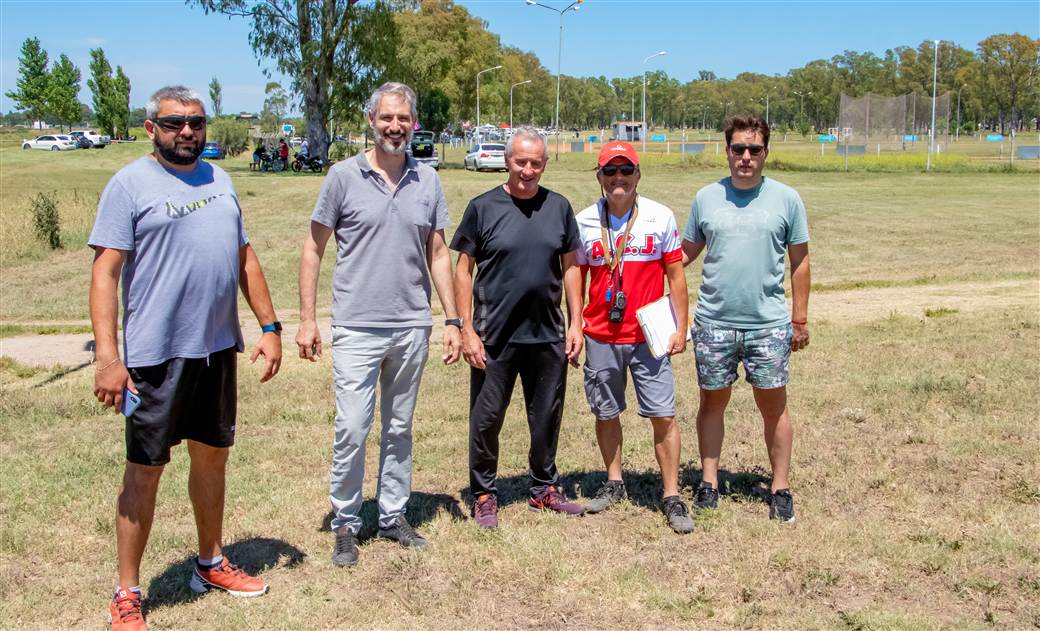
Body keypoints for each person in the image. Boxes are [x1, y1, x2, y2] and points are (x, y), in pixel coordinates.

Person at [89, 86, 282, 631]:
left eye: (196, 122)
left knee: (212, 458)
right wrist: (108, 357)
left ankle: (211, 563)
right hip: (156, 357)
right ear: (152, 128)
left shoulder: (219, 179)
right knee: (145, 471)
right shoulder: (129, 184)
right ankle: (127, 593)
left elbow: (244, 257)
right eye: (175, 124)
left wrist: (269, 327)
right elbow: (105, 273)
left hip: (217, 348)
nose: (188, 132)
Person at [296, 82, 461, 567]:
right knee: (352, 426)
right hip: (356, 326)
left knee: (399, 426)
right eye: (387, 118)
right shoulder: (342, 177)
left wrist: (452, 318)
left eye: (404, 119)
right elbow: (313, 248)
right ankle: (346, 521)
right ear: (371, 120)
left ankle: (392, 515)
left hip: (412, 325)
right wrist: (307, 321)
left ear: (414, 122)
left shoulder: (427, 180)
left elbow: (437, 252)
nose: (395, 127)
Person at [451, 127, 585, 529]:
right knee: (487, 418)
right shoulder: (482, 207)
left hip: (547, 334)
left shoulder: (559, 207)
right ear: (507, 161)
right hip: (494, 337)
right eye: (520, 161)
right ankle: (484, 494)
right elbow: (463, 270)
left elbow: (572, 266)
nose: (527, 170)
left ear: (545, 163)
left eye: (535, 163)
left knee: (546, 414)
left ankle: (544, 488)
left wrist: (576, 322)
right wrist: (466, 329)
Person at [681, 114, 811, 523]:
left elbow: (800, 262)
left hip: (768, 325)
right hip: (713, 322)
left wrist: (799, 318)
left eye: (754, 149)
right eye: (738, 149)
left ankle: (781, 488)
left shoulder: (787, 199)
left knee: (773, 408)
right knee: (711, 404)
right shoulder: (706, 198)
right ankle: (709, 482)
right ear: (727, 151)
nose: (746, 157)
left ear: (766, 153)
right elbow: (683, 255)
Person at [574, 142, 693, 534]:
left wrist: (681, 327)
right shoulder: (584, 221)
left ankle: (672, 494)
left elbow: (676, 276)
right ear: (599, 176)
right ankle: (614, 482)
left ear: (638, 175)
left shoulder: (660, 217)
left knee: (663, 414)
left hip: (648, 337)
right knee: (606, 412)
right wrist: (574, 324)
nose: (618, 179)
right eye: (611, 171)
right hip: (601, 335)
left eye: (626, 171)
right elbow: (574, 278)